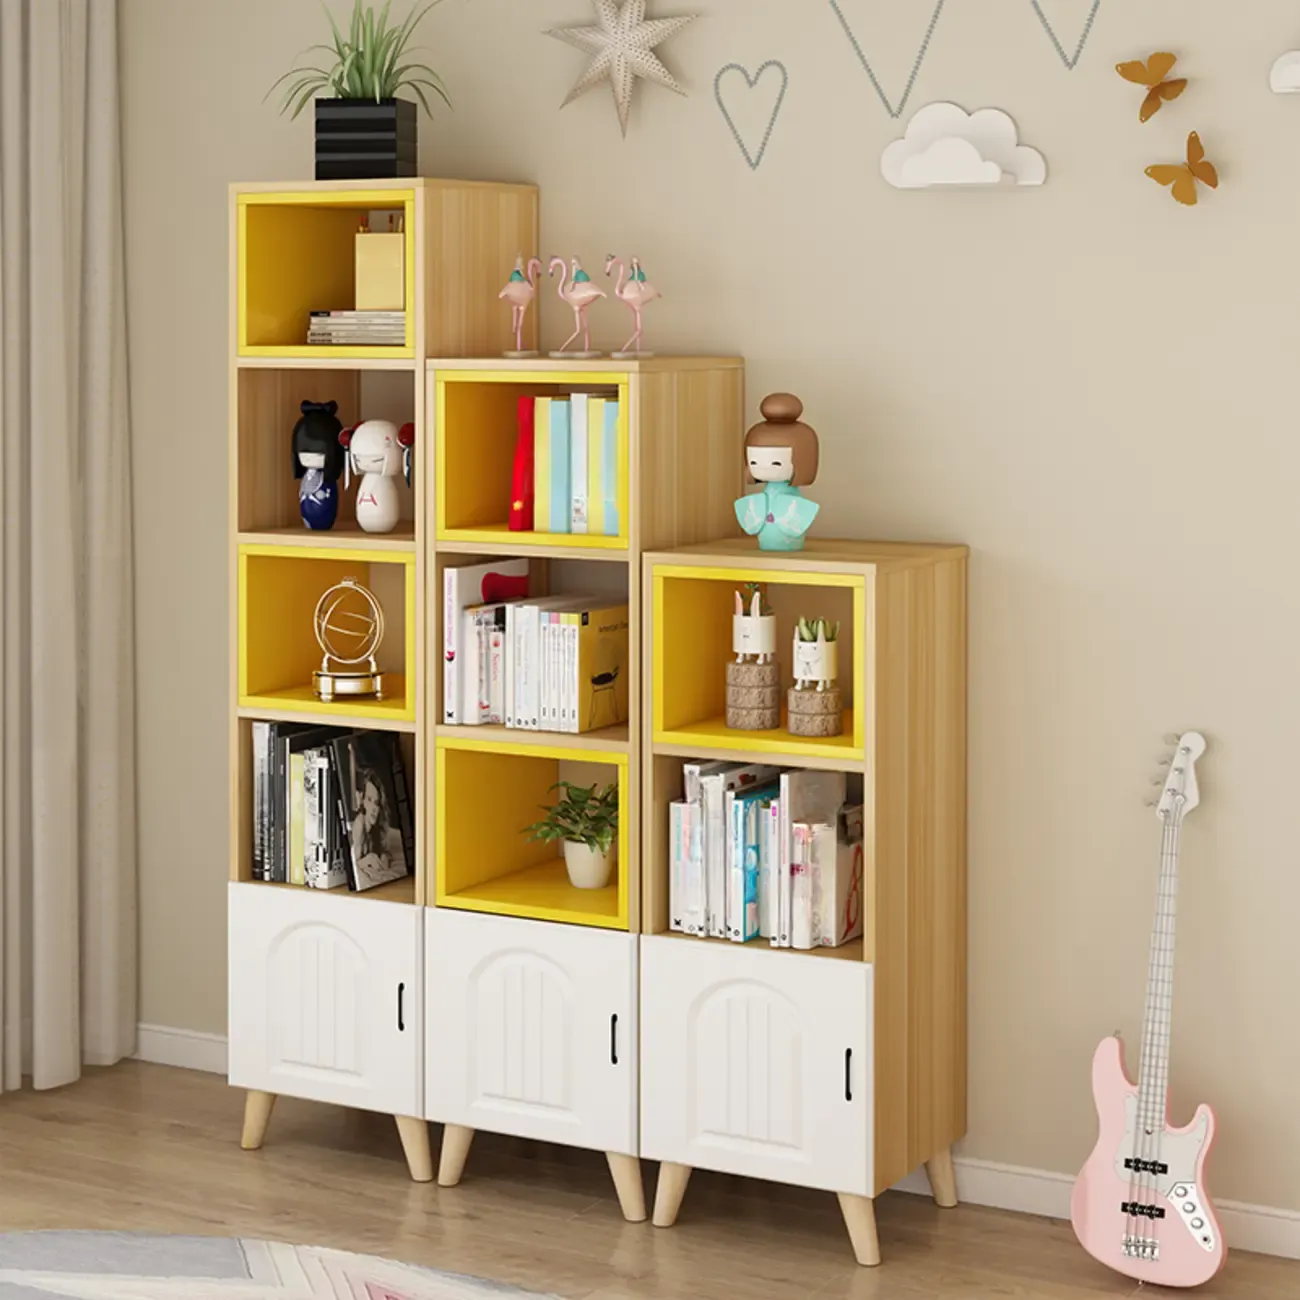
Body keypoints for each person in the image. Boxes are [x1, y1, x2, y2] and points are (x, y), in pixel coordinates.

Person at [351, 766, 397, 887]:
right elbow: (353, 864)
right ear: (362, 800)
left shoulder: (376, 827)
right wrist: (368, 859)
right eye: (369, 799)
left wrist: (384, 857)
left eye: (376, 802)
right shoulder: (359, 825)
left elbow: (384, 851)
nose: (374, 809)